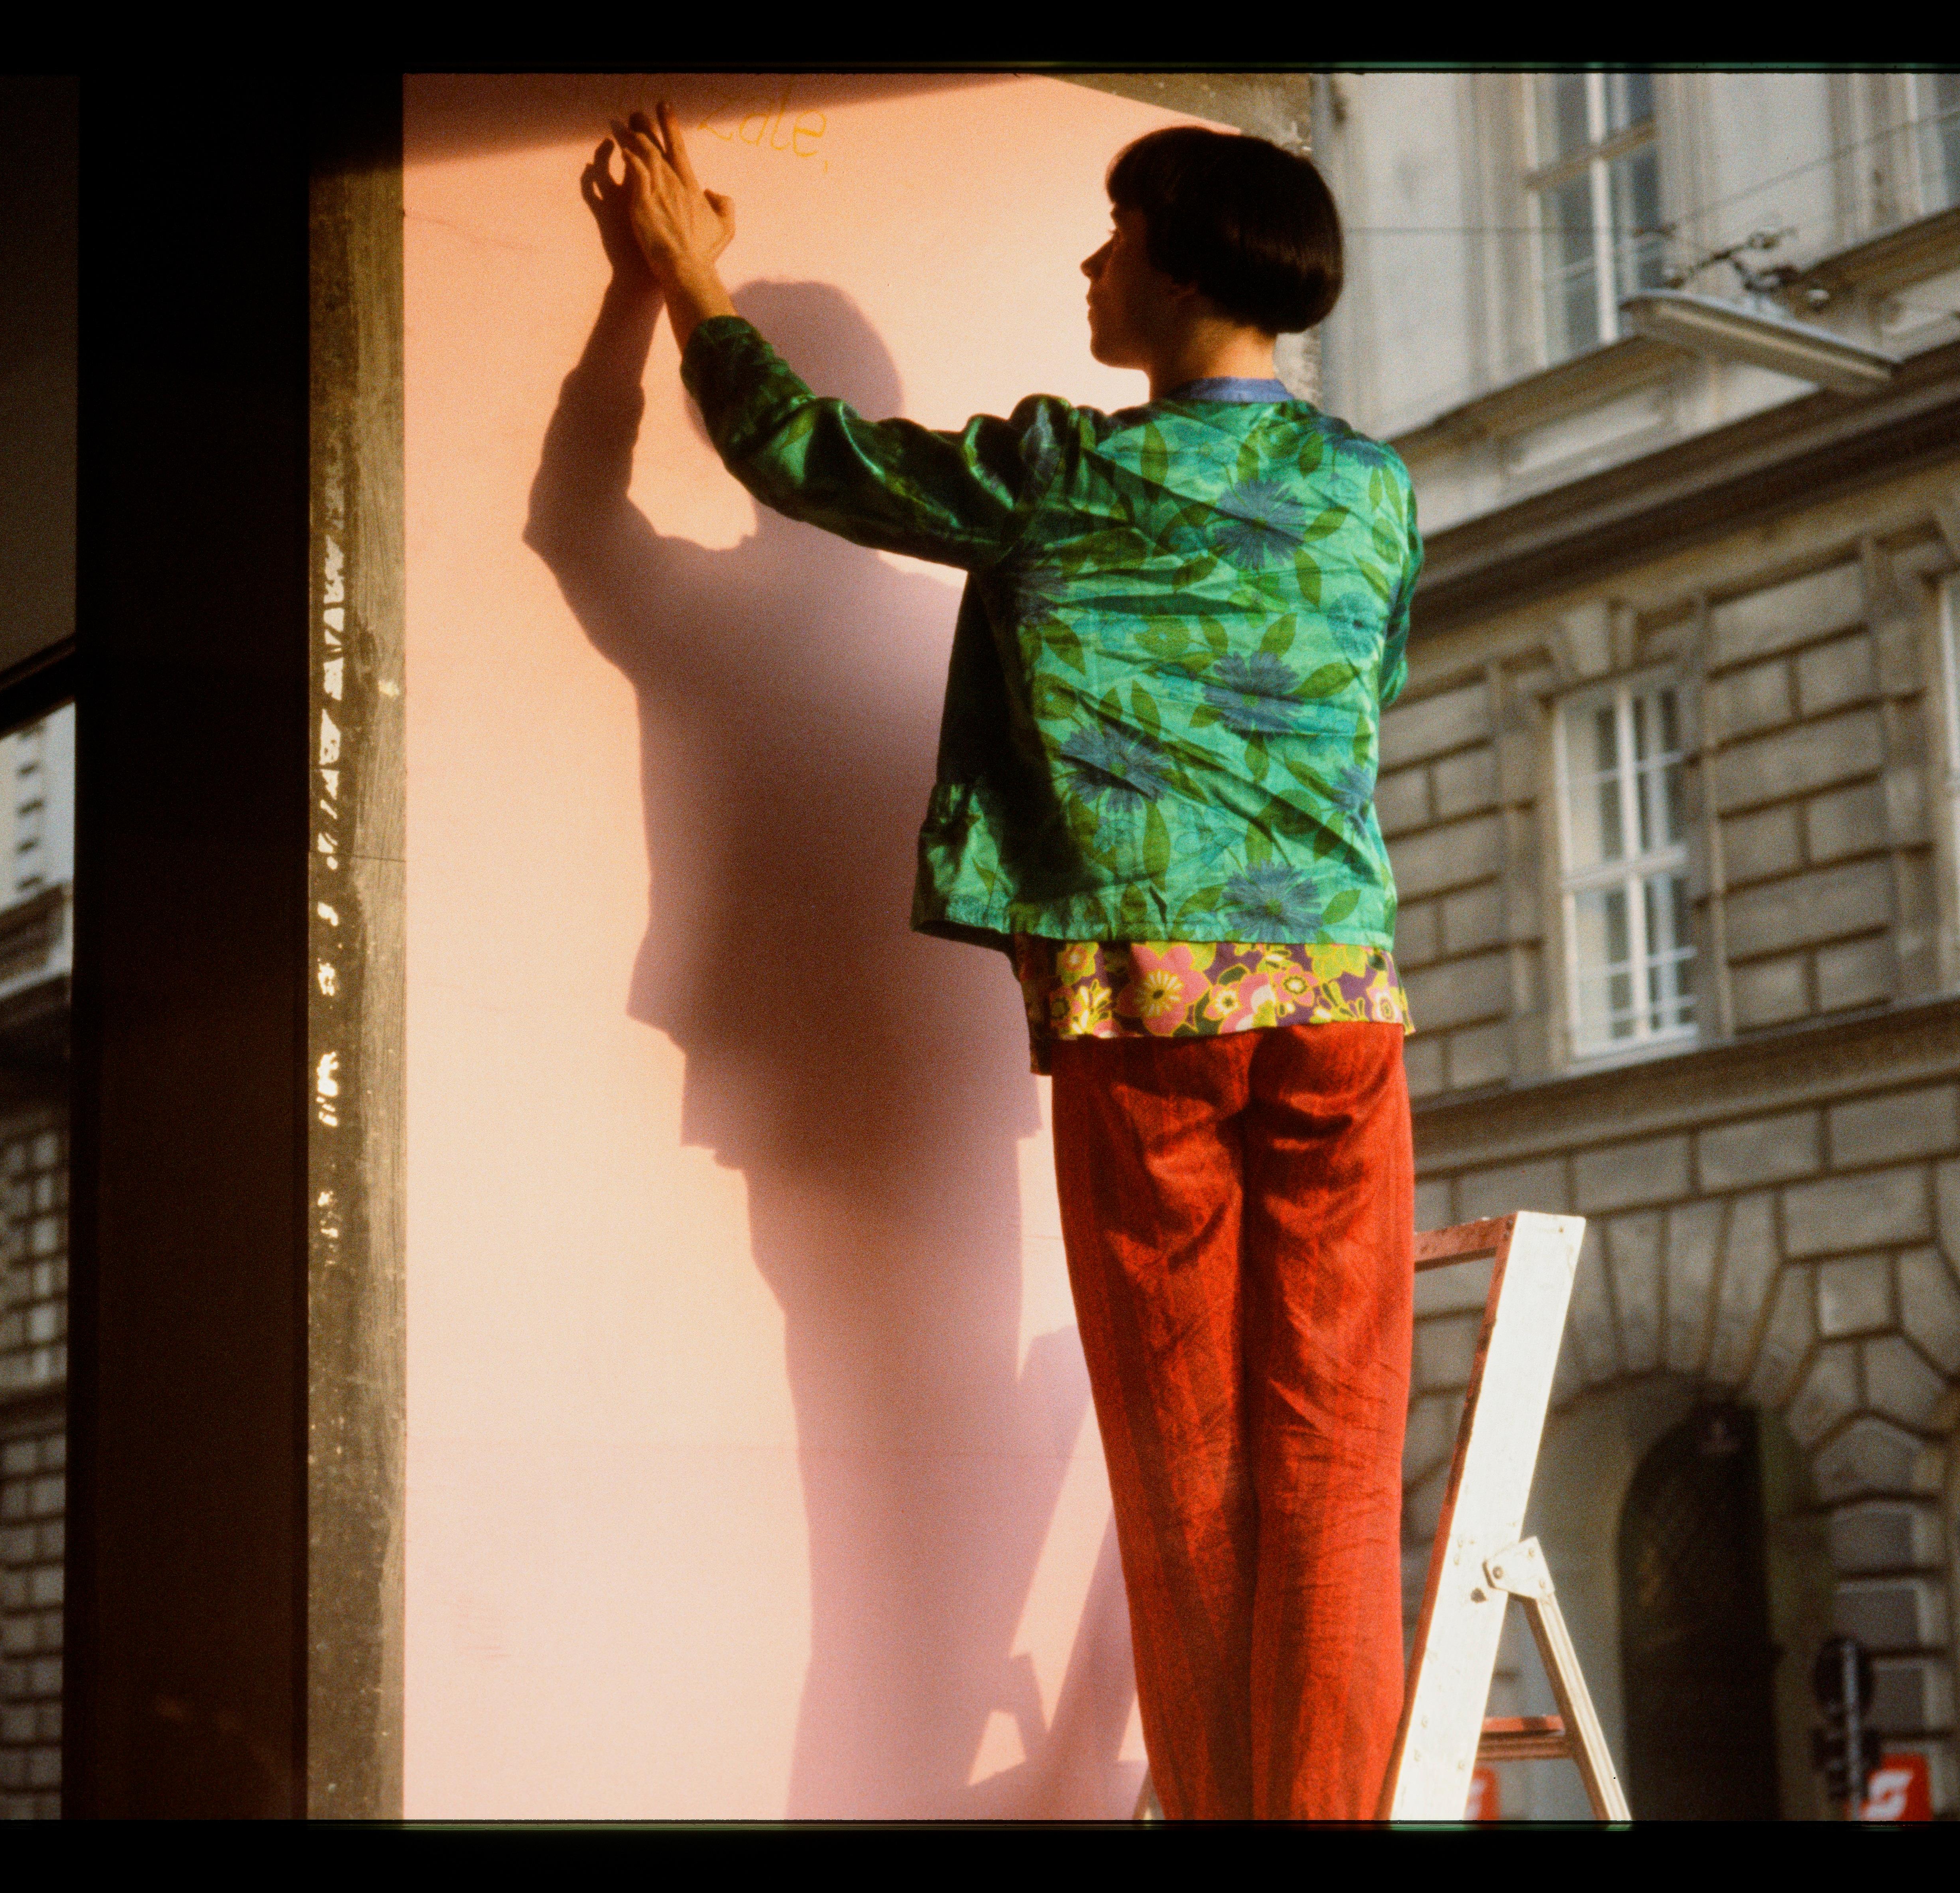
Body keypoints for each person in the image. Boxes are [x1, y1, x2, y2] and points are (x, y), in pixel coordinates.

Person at [604, 101, 1424, 1821]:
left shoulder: (1069, 470)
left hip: (1147, 1013)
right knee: (1336, 1469)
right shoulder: (1373, 492)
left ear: (1185, 256)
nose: (1090, 259)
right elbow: (1371, 687)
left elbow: (798, 457)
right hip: (1341, 1003)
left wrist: (683, 275)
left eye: (1114, 230)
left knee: (1190, 1466)